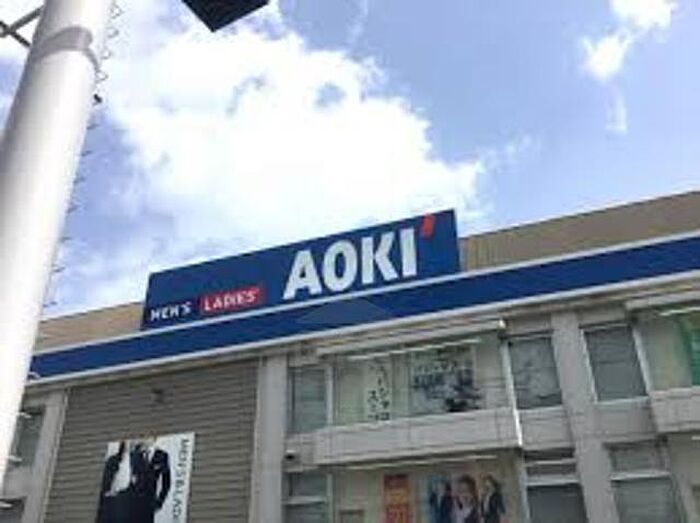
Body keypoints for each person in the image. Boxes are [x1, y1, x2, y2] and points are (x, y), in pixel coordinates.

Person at [130, 437, 171, 523]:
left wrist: (159, 502)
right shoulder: (134, 455)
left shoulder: (162, 455)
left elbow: (166, 482)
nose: (145, 439)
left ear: (154, 439)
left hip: (150, 501)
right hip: (134, 502)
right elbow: (131, 478)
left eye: (149, 437)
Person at [96, 441, 133, 523]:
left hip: (124, 503)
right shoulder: (112, 460)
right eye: (126, 446)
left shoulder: (135, 460)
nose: (127, 448)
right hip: (111, 502)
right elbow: (105, 481)